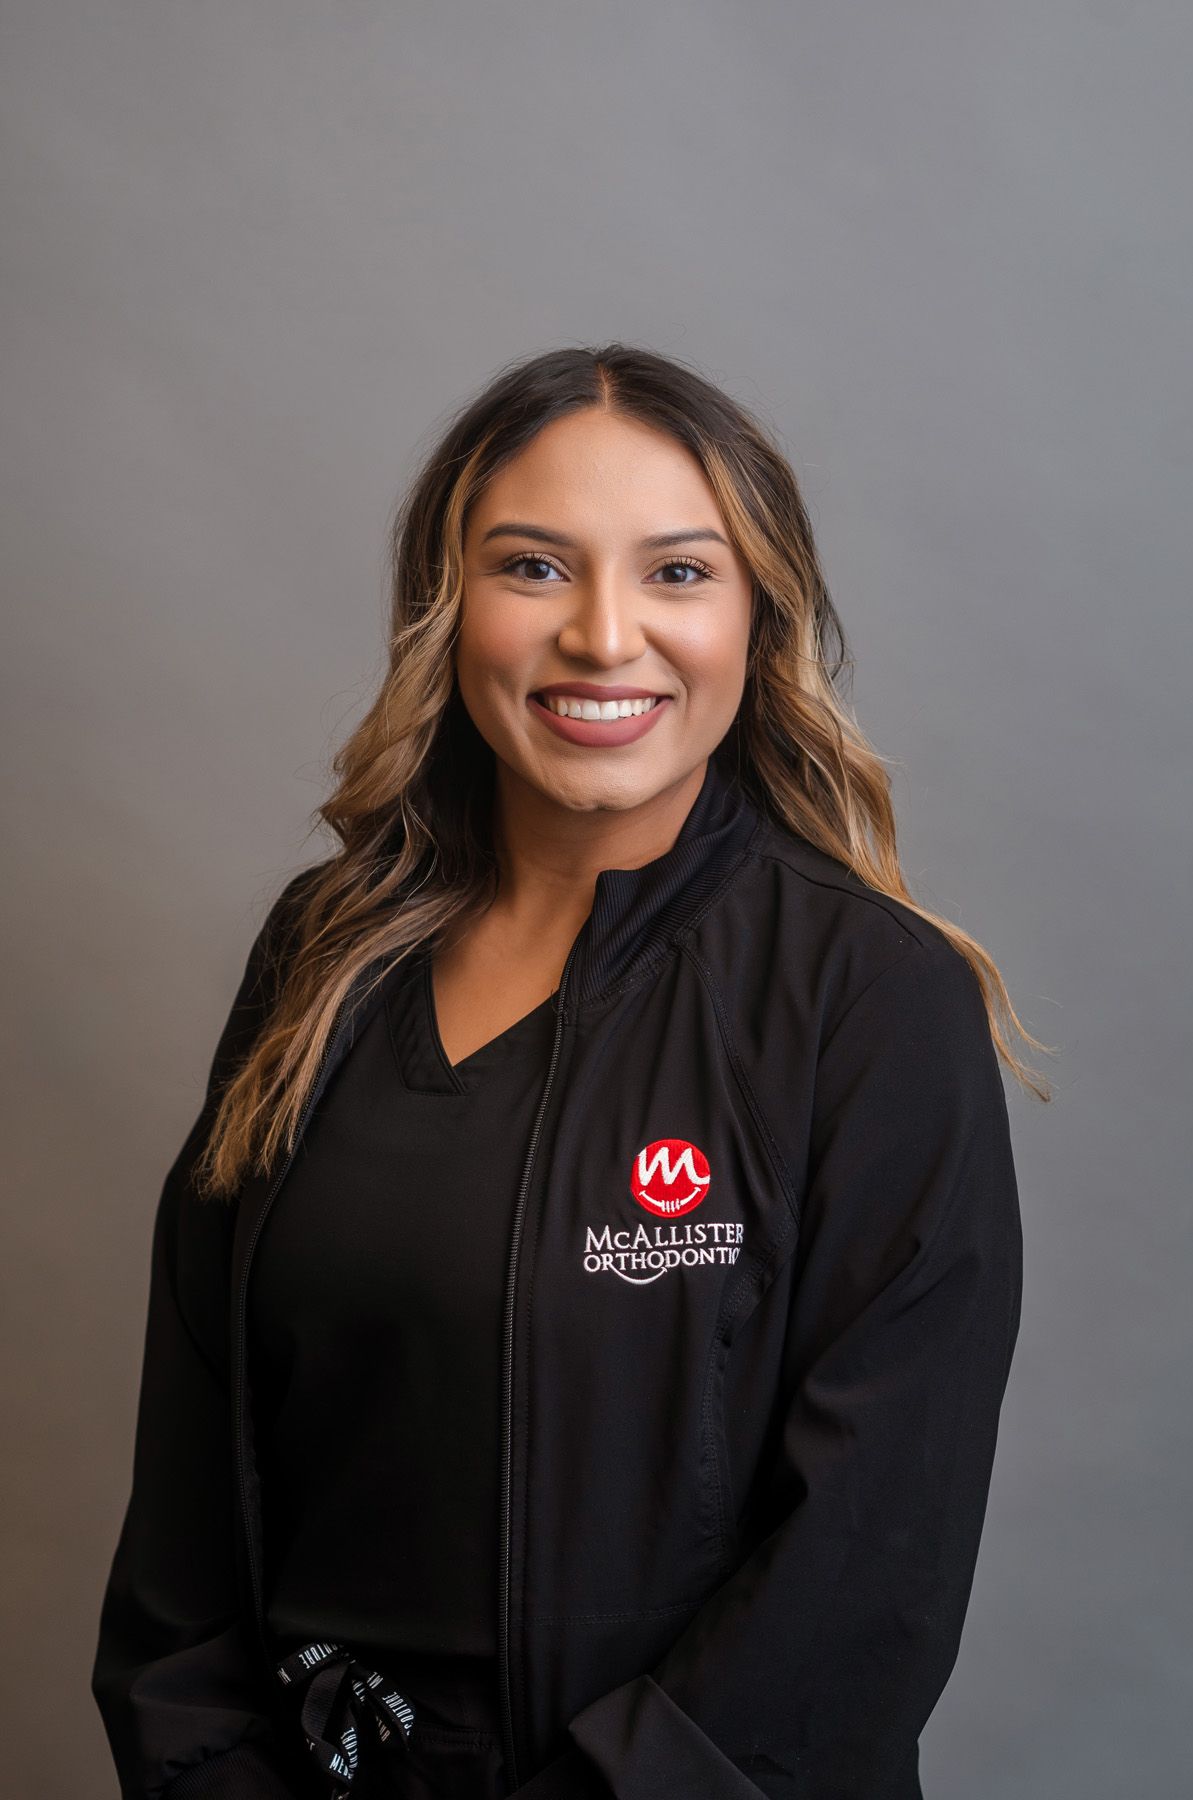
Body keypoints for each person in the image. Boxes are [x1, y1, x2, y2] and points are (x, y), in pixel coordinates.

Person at [91, 344, 1049, 1800]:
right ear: (444, 606)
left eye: (677, 573)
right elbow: (189, 1487)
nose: (604, 637)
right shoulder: (322, 956)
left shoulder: (869, 1000)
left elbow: (866, 1571)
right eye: (532, 568)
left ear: (757, 616)